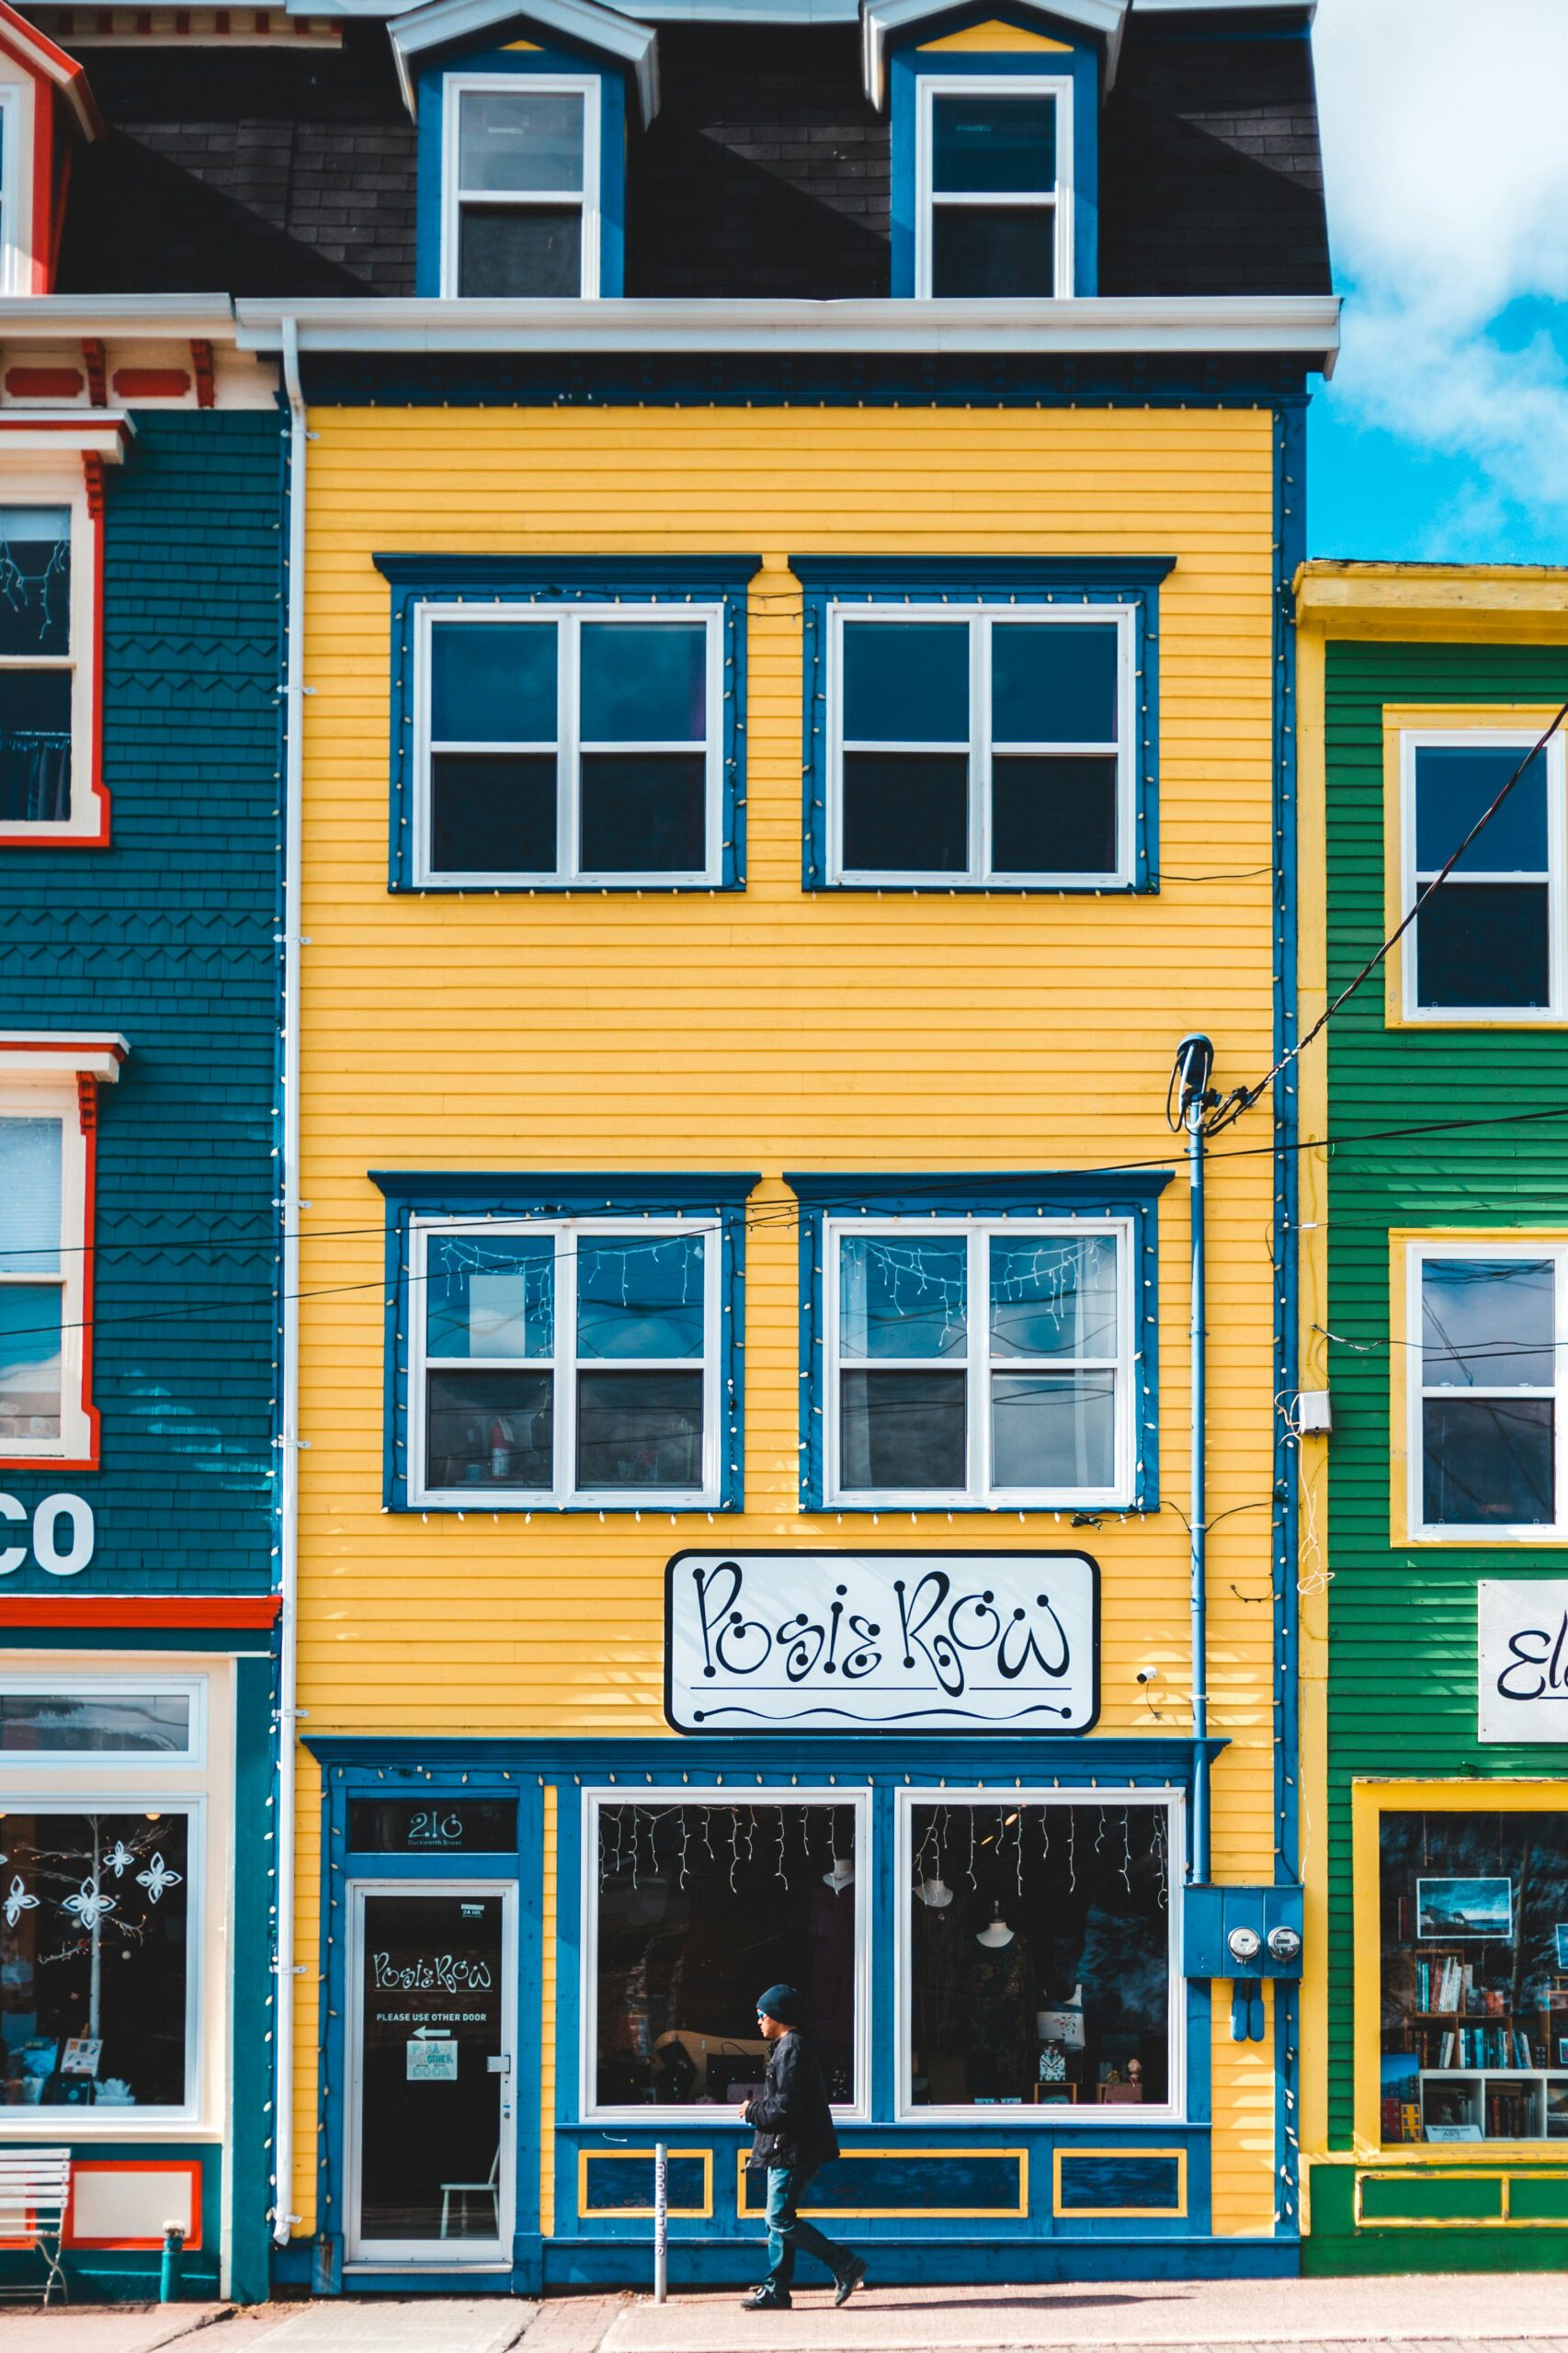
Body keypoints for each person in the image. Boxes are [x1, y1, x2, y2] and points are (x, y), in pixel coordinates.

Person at [739, 1983, 868, 2312]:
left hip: (793, 2151)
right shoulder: (787, 2048)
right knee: (777, 2219)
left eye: (761, 2014)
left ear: (777, 2016)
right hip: (786, 2149)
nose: (758, 2021)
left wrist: (751, 2110)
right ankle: (776, 2289)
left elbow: (787, 2107)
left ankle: (843, 2263)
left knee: (779, 2218)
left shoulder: (792, 2049)